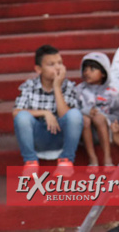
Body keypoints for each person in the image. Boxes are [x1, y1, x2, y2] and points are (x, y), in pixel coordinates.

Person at [13, 45, 84, 176]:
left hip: (61, 136)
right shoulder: (30, 86)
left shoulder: (68, 85)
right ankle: (30, 161)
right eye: (51, 64)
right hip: (39, 136)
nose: (57, 67)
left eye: (60, 63)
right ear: (38, 69)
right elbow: (16, 113)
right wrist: (45, 113)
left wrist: (57, 87)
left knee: (75, 114)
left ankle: (66, 160)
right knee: (22, 116)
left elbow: (67, 116)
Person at [76, 52, 119, 167]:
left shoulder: (112, 92)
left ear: (103, 73)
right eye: (85, 69)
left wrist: (107, 118)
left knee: (98, 118)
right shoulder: (78, 90)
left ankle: (107, 158)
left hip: (106, 131)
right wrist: (86, 112)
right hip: (85, 131)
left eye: (92, 69)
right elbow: (72, 108)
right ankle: (93, 158)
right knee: (85, 119)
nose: (87, 72)